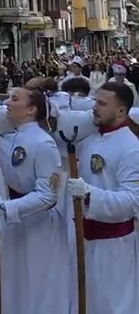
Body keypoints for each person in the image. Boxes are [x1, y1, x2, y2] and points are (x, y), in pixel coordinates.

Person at [0, 83, 72, 314]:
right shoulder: (9, 136)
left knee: (36, 285)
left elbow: (48, 194)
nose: (8, 103)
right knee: (13, 282)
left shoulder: (44, 143)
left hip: (40, 226)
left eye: (15, 99)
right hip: (17, 224)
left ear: (31, 110)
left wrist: (7, 206)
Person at [67, 80, 139, 314]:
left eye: (101, 103)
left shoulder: (131, 148)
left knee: (112, 304)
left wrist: (90, 195)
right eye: (95, 102)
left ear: (120, 111)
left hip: (113, 245)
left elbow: (132, 201)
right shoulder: (92, 139)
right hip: (83, 237)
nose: (94, 108)